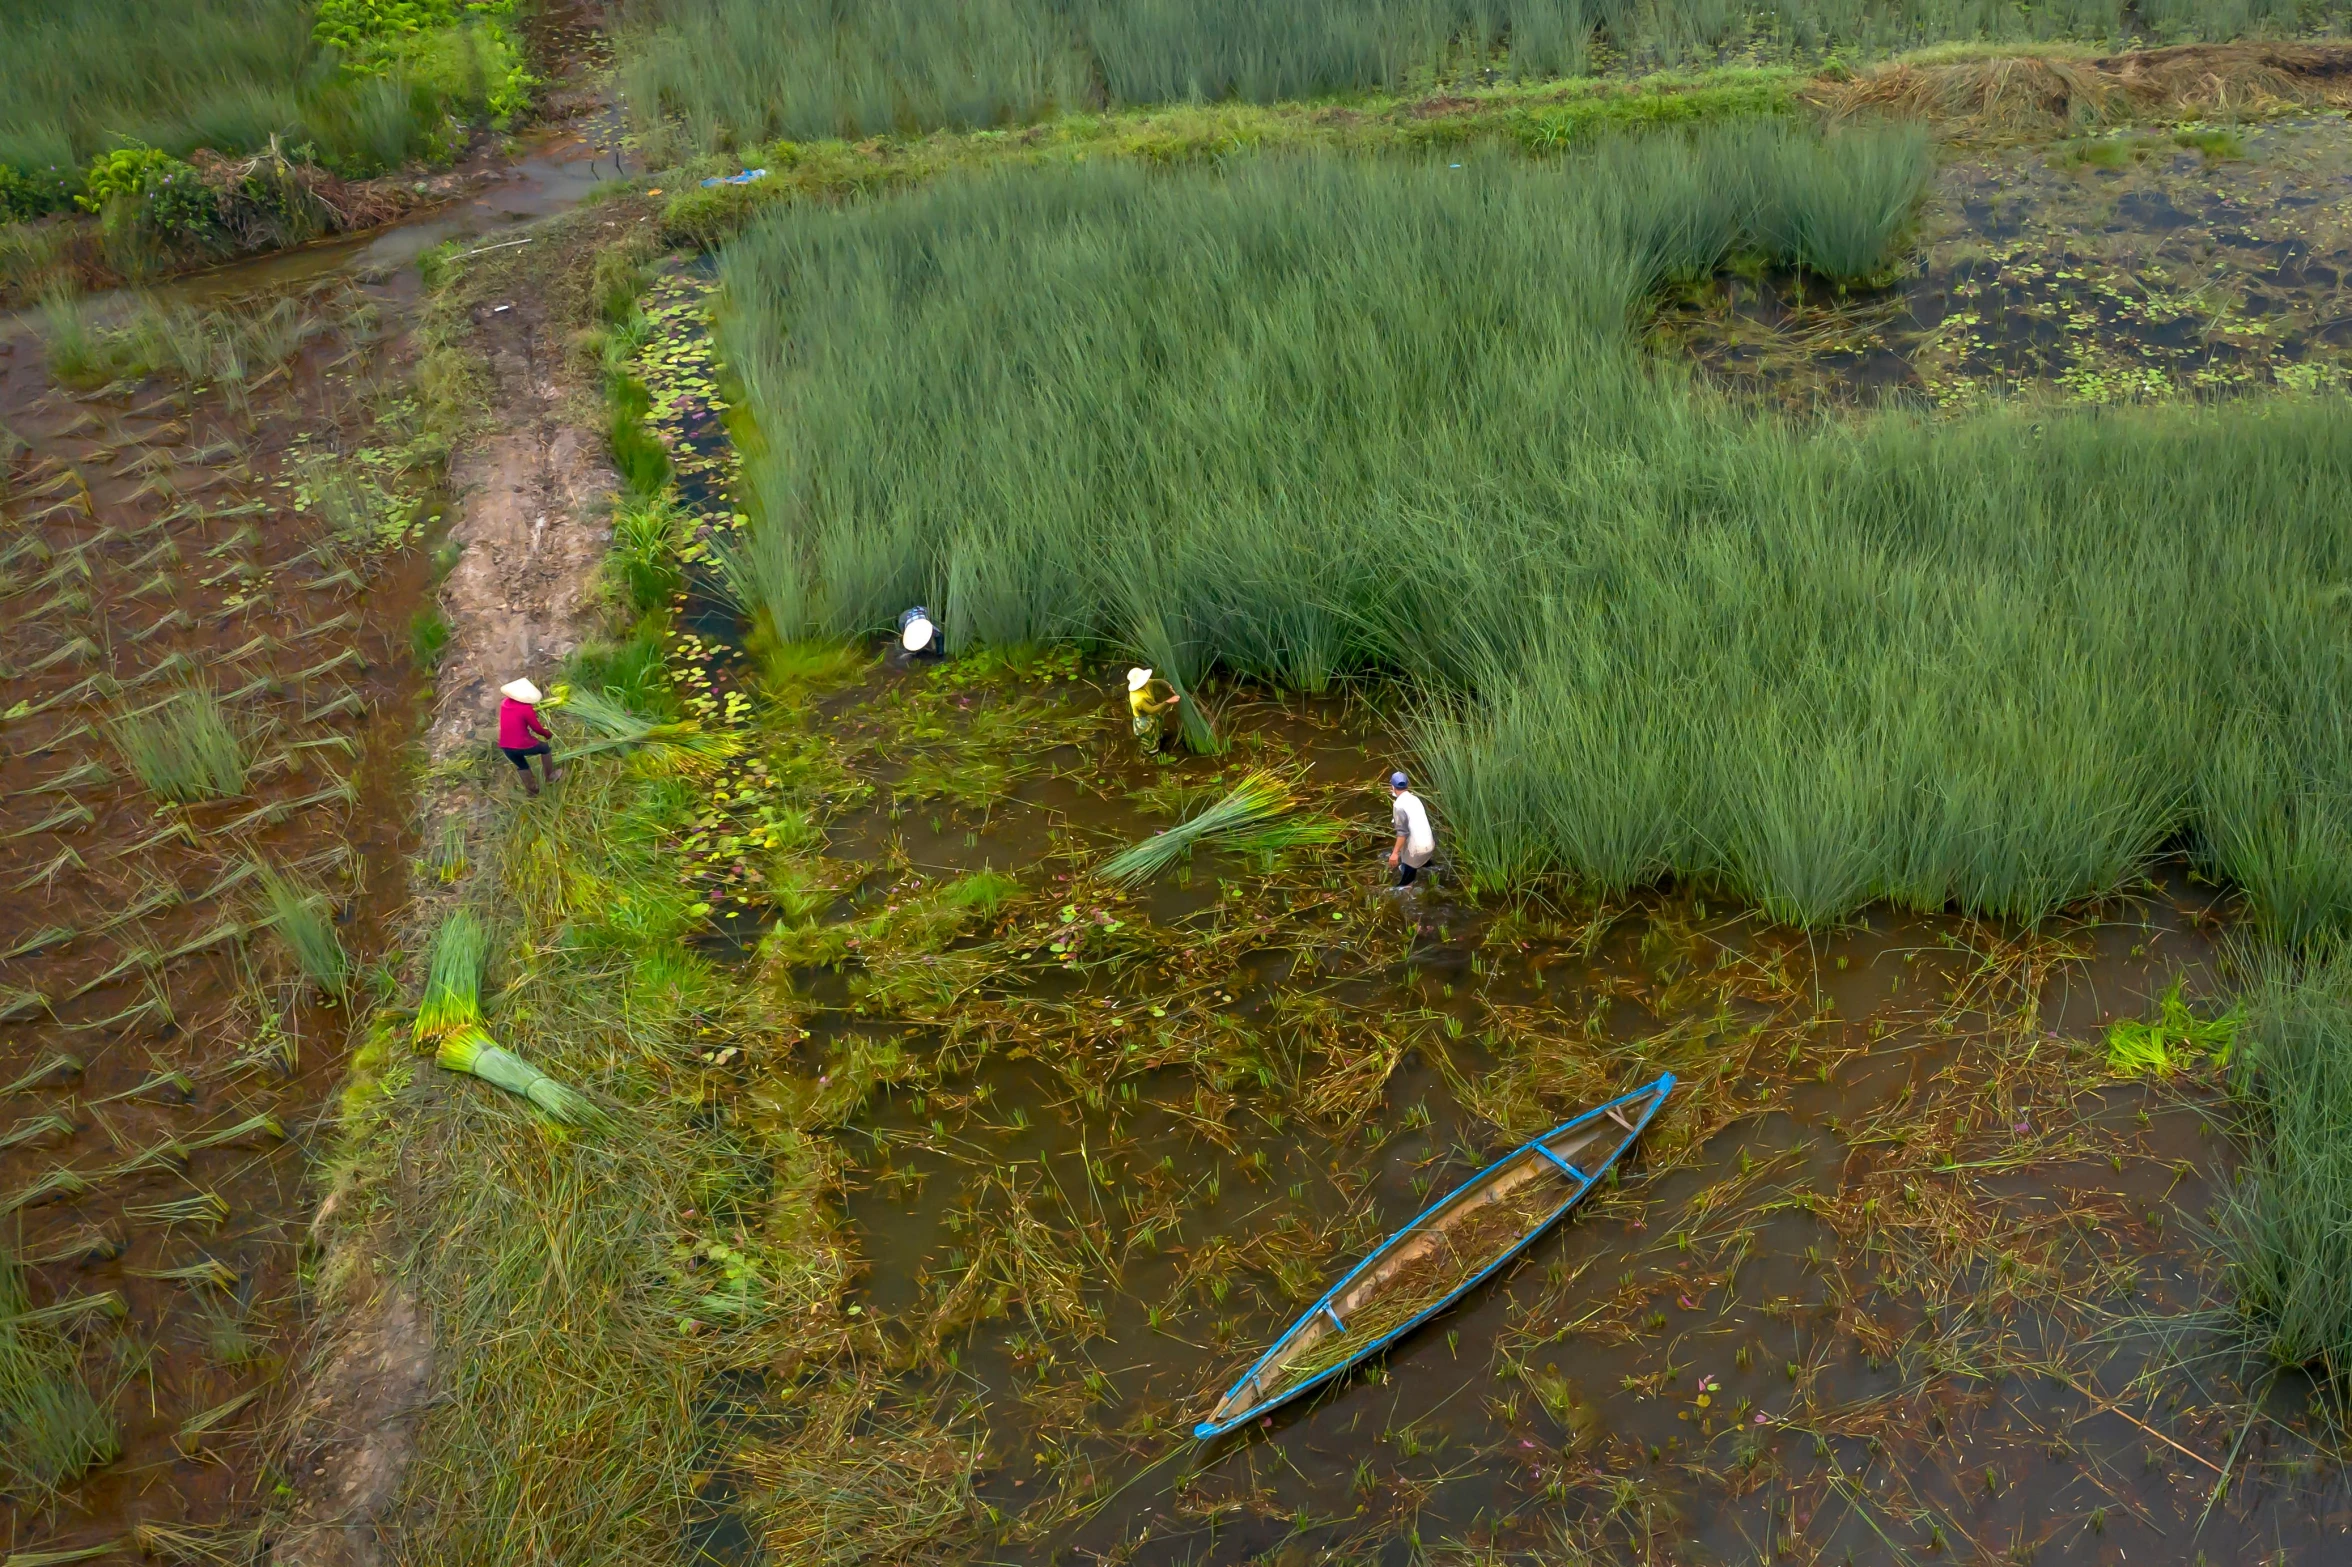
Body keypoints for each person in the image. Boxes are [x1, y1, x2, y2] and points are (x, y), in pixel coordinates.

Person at [497, 678, 559, 796]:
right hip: (522, 744)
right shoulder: (526, 709)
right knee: (545, 748)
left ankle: (532, 791)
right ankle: (550, 777)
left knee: (522, 765)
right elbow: (536, 728)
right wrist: (547, 734)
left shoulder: (504, 704)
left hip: (505, 746)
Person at [1388, 771, 1436, 888]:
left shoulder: (1398, 806)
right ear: (1407, 785)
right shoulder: (1415, 799)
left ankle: (1408, 896)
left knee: (1404, 886)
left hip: (1416, 851)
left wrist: (1394, 854)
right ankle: (1433, 875)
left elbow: (1402, 833)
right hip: (1430, 846)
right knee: (1426, 867)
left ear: (1393, 787)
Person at [1126, 667, 1182, 754]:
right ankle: (1150, 753)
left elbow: (1157, 681)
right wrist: (1168, 701)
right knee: (1149, 738)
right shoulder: (1138, 699)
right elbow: (1151, 710)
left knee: (1156, 732)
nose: (1147, 681)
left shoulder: (1145, 683)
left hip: (1152, 716)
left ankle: (1157, 740)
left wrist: (1168, 686)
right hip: (1144, 720)